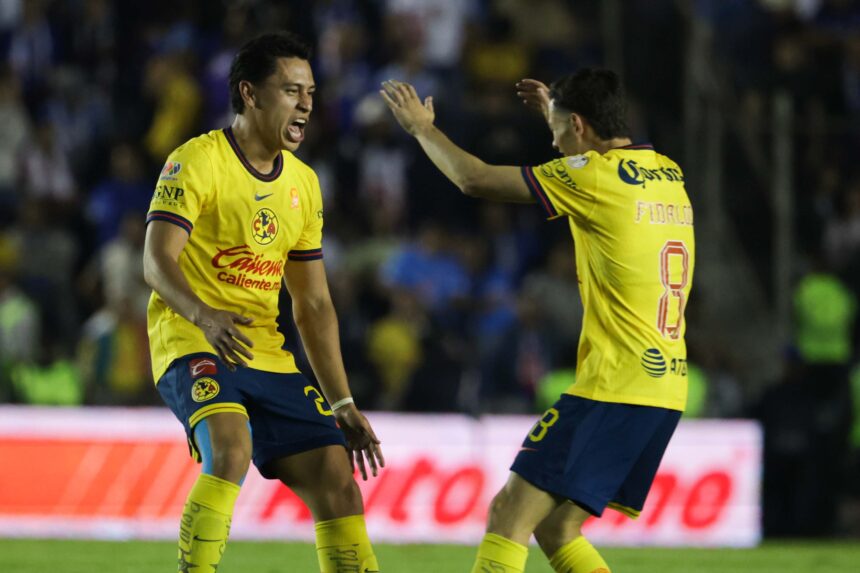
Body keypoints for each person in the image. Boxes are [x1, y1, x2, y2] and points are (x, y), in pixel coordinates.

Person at [381, 69, 695, 573]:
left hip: (613, 386)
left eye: (557, 129)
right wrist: (562, 117)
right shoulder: (667, 173)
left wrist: (421, 128)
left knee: (508, 514)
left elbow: (474, 178)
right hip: (662, 388)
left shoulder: (594, 178)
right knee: (556, 528)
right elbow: (593, 166)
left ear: (580, 126)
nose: (551, 139)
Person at [143, 33, 384, 573]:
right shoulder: (197, 160)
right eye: (291, 90)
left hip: (266, 354)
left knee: (337, 481)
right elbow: (156, 261)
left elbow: (314, 305)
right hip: (193, 339)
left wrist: (343, 403)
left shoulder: (304, 183)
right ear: (249, 94)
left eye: (311, 92)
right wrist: (204, 315)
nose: (306, 104)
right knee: (231, 449)